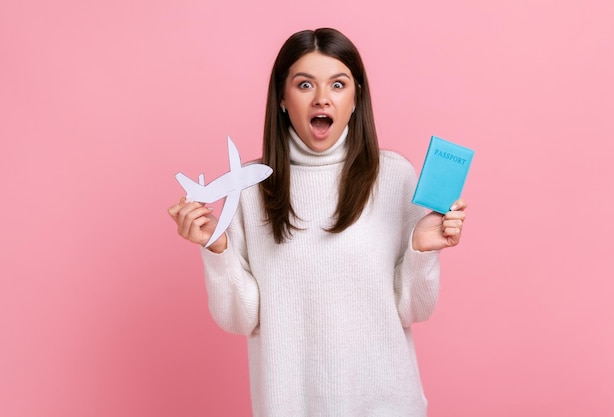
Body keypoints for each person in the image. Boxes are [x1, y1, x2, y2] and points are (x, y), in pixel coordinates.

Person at [168, 27, 467, 417]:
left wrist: (421, 251)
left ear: (356, 96)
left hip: (387, 405)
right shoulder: (250, 187)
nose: (322, 98)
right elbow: (242, 321)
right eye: (305, 84)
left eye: (338, 84)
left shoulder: (394, 177)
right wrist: (218, 251)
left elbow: (413, 309)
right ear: (281, 97)